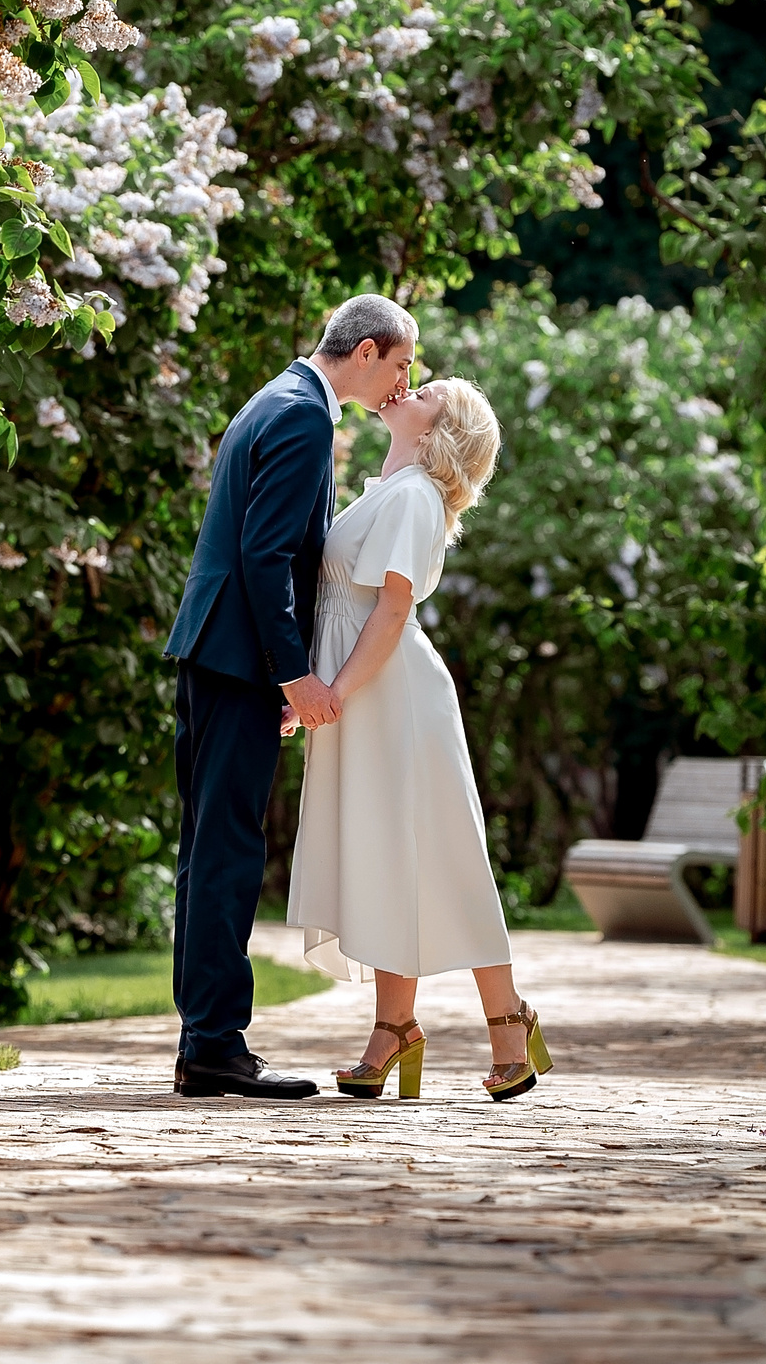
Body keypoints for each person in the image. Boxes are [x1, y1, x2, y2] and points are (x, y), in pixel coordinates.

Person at [161, 294, 417, 1099]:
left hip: (215, 652)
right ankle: (214, 1047)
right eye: (404, 364)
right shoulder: (307, 415)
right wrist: (293, 674)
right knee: (228, 850)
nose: (404, 382)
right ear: (369, 350)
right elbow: (266, 557)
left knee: (207, 851)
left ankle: (204, 1043)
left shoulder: (278, 395)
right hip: (238, 659)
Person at [285, 375, 555, 1100]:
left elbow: (392, 613)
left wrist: (333, 691)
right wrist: (312, 690)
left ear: (443, 427)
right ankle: (395, 1028)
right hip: (363, 690)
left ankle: (508, 1021)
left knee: (441, 855)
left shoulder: (412, 497)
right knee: (387, 856)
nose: (409, 384)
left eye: (429, 388)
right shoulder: (389, 488)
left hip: (392, 695)